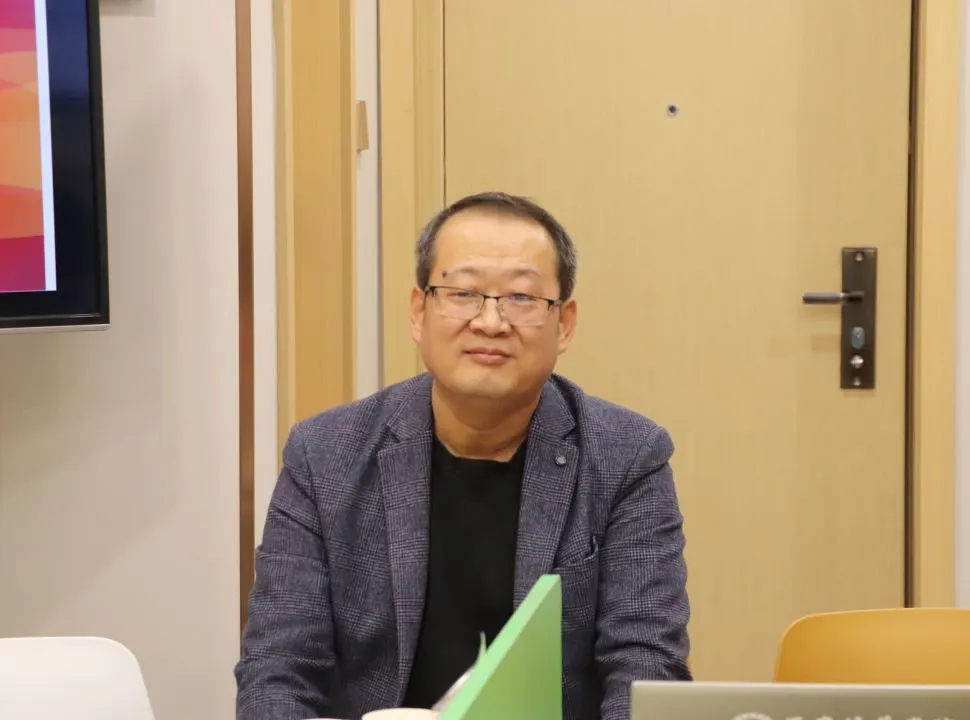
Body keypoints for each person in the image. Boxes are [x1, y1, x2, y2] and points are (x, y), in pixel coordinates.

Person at [235, 191, 692, 720]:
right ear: (418, 312)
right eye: (463, 293)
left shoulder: (627, 457)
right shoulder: (325, 455)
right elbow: (278, 671)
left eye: (521, 297)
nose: (491, 322)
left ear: (564, 324)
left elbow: (645, 668)